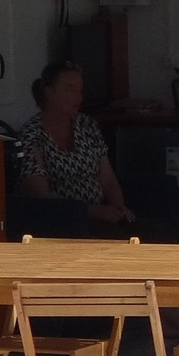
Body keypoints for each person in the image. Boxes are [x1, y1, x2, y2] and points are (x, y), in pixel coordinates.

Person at [16, 60, 136, 233]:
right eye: (70, 90)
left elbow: (107, 178)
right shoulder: (31, 135)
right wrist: (91, 211)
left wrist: (119, 207)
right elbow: (41, 196)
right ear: (49, 93)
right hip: (58, 223)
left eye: (80, 91)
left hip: (102, 218)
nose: (78, 97)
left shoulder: (87, 125)